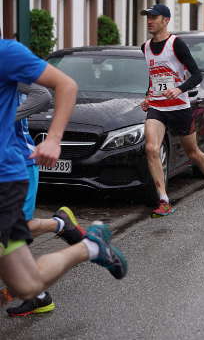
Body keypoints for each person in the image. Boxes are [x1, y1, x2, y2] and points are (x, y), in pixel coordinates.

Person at [0, 39, 127, 306]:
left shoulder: (6, 53)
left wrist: (53, 139)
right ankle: (90, 246)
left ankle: (87, 247)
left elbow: (65, 85)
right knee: (26, 285)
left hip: (4, 180)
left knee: (26, 285)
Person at [6, 83, 87, 317]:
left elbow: (42, 95)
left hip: (19, 165)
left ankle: (39, 295)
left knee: (12, 234)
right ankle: (60, 223)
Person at [139, 4, 204, 217]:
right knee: (151, 148)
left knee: (192, 152)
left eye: (154, 17)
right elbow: (154, 76)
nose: (149, 21)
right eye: (148, 17)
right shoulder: (145, 47)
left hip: (179, 107)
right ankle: (164, 199)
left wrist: (178, 89)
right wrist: (148, 96)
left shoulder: (177, 44)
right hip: (158, 106)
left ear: (166, 20)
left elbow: (197, 76)